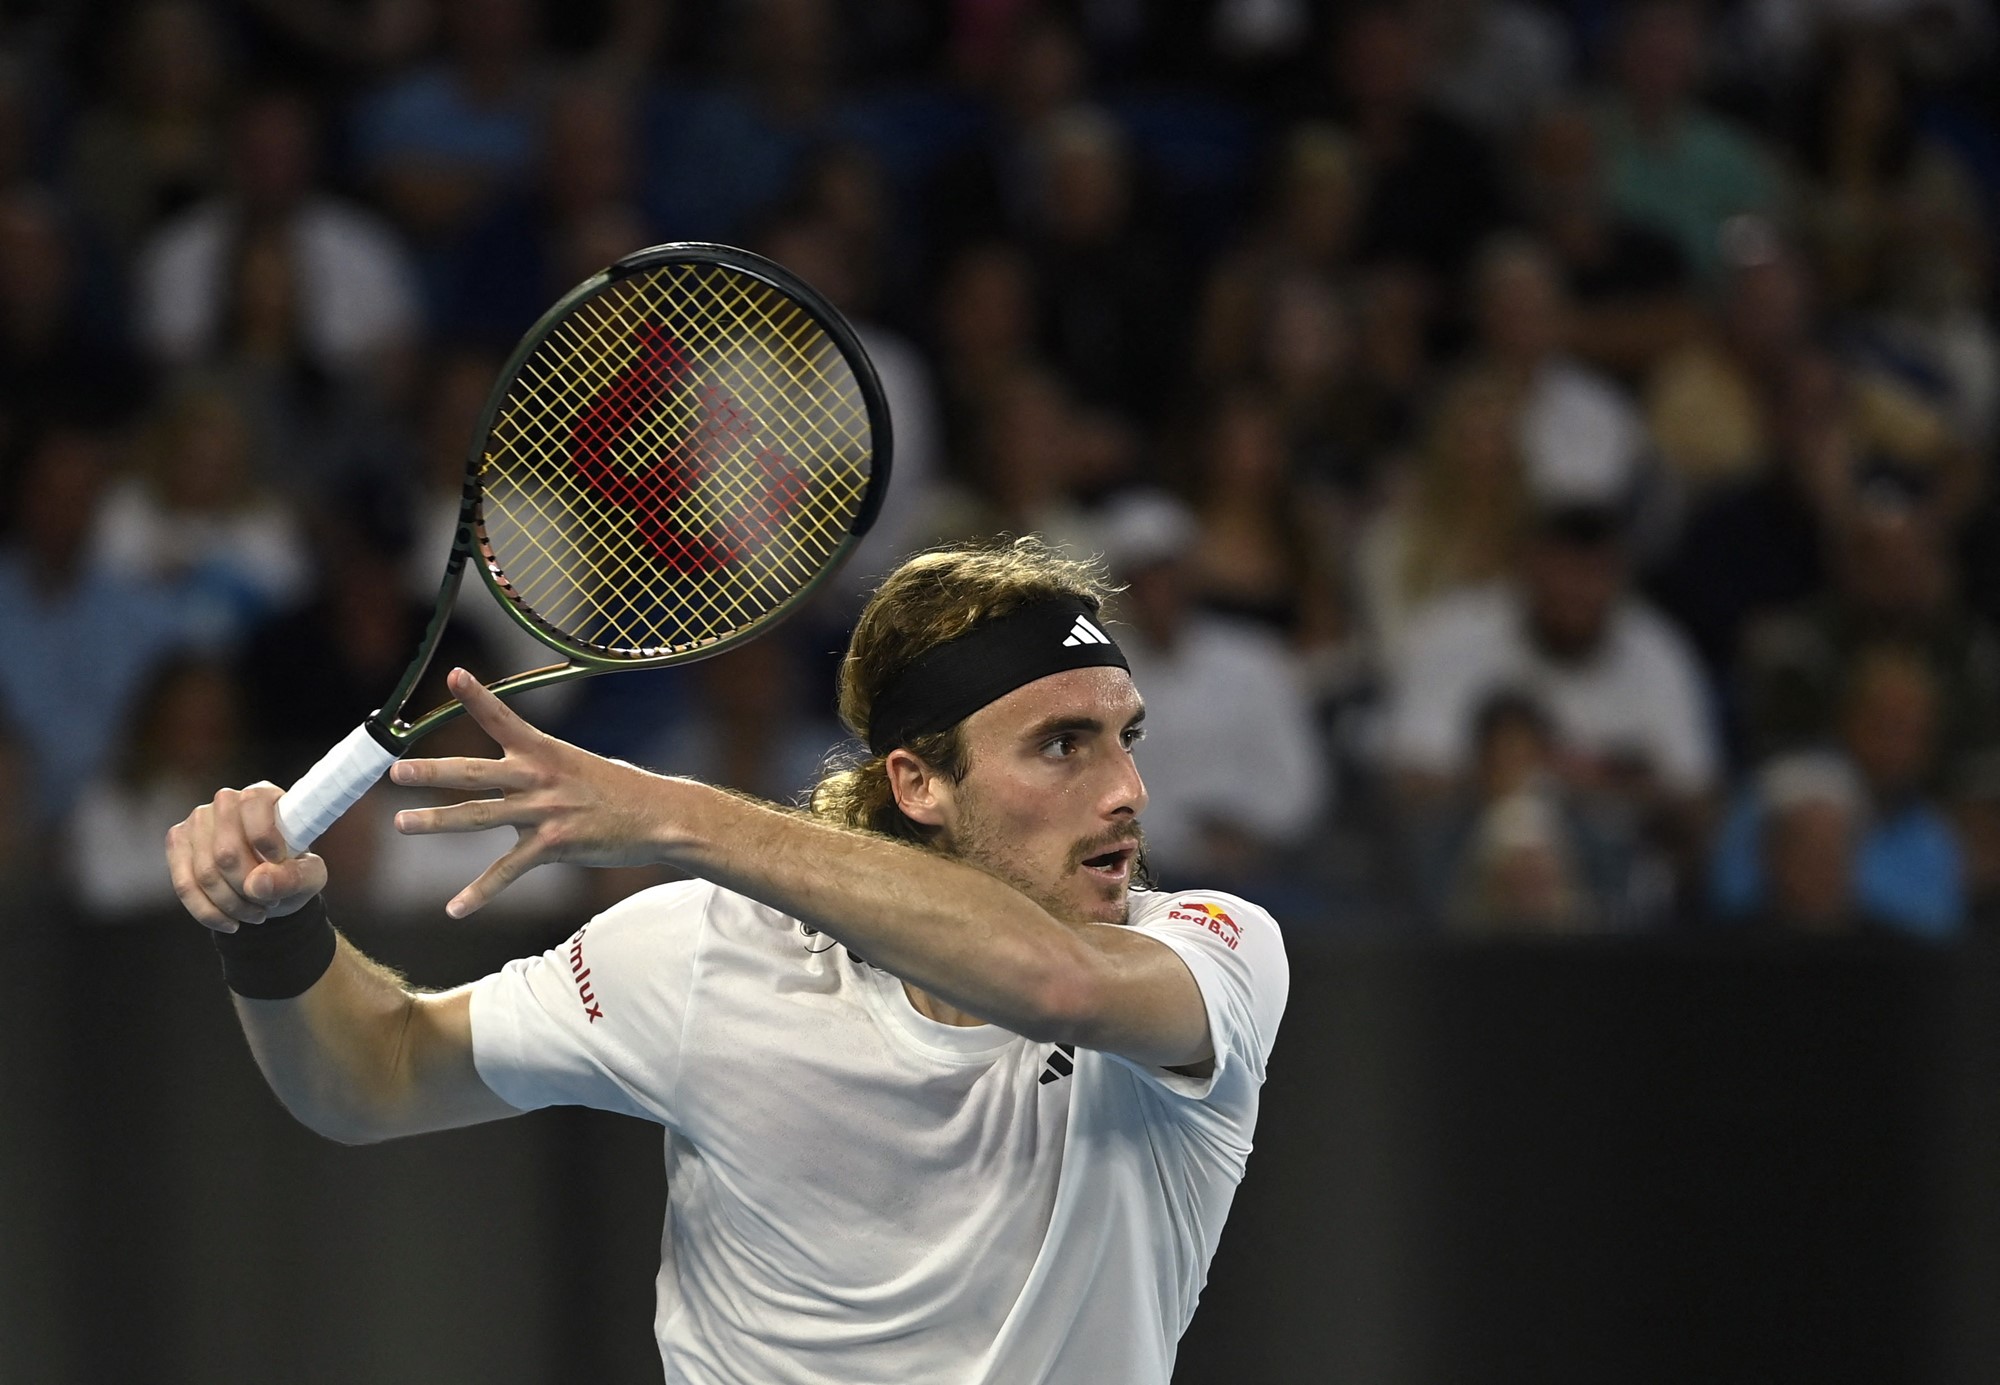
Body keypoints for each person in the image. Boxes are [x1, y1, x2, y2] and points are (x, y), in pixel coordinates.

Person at [162, 540, 1289, 1383]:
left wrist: (673, 814)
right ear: (918, 783)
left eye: (1122, 736)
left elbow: (1060, 985)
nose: (1125, 789)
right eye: (1060, 743)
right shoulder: (703, 951)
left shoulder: (1209, 953)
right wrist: (274, 929)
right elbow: (375, 1072)